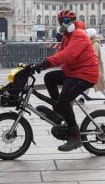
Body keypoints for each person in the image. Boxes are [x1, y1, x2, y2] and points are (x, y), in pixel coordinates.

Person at [35, 9, 98, 152]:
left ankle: (75, 137)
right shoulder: (66, 37)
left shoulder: (79, 35)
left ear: (73, 22)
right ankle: (59, 112)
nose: (63, 24)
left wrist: (46, 63)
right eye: (60, 21)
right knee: (49, 78)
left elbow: (68, 55)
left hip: (85, 74)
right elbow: (60, 55)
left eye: (66, 21)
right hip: (73, 72)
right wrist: (41, 65)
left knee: (64, 99)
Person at [78, 28, 105, 105]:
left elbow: (94, 54)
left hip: (94, 66)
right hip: (93, 65)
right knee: (89, 81)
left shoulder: (95, 43)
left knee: (98, 82)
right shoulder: (93, 42)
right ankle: (82, 98)